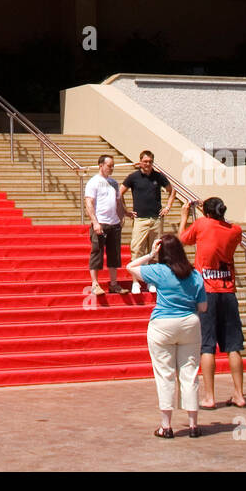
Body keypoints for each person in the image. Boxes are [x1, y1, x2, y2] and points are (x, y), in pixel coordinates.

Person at [129, 233, 207, 438]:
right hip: (190, 323)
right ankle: (193, 425)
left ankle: (166, 425)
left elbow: (131, 267)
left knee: (165, 374)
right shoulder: (195, 274)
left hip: (163, 324)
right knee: (189, 374)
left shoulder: (160, 271)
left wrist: (150, 254)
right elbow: (203, 306)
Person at [179, 196, 245, 408]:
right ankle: (239, 394)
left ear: (206, 213)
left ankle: (209, 396)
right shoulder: (235, 230)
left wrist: (184, 215)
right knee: (233, 346)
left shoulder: (201, 224)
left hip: (207, 292)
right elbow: (218, 227)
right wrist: (207, 212)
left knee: (207, 346)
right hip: (228, 290)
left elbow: (184, 238)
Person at [121, 150, 173, 294]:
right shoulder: (133, 177)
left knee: (155, 251)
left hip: (156, 219)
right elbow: (120, 193)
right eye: (145, 161)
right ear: (140, 161)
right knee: (137, 250)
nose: (148, 164)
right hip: (140, 220)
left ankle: (152, 281)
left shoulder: (158, 176)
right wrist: (126, 211)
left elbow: (171, 190)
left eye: (150, 162)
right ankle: (135, 282)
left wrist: (168, 207)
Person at [84, 155, 124, 295]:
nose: (111, 168)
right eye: (109, 166)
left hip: (114, 223)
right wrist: (95, 222)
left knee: (114, 254)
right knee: (97, 252)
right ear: (101, 165)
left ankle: (114, 284)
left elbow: (118, 201)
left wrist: (122, 216)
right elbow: (89, 202)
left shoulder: (113, 182)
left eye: (113, 166)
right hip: (100, 222)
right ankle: (95, 284)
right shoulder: (93, 182)